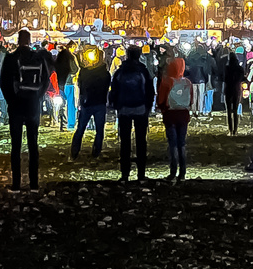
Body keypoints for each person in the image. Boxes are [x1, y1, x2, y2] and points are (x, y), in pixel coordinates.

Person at [0, 30, 50, 190]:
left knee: (16, 146)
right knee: (33, 145)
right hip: (32, 106)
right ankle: (34, 184)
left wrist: (11, 100)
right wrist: (38, 97)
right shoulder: (39, 58)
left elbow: (3, 82)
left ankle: (16, 184)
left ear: (18, 40)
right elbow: (46, 80)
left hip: (16, 106)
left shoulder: (11, 58)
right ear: (29, 40)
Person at [110, 45, 155, 180]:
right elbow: (149, 90)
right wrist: (148, 106)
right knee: (141, 141)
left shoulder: (121, 71)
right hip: (140, 108)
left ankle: (125, 173)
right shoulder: (142, 70)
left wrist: (116, 105)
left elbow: (114, 90)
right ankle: (141, 173)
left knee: (125, 142)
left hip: (124, 109)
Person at [71, 46, 110, 159]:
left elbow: (80, 85)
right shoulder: (104, 73)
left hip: (88, 103)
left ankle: (75, 152)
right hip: (98, 103)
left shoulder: (85, 72)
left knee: (81, 128)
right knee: (98, 130)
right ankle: (95, 152)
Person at [158, 56, 193, 180]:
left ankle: (173, 171)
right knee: (181, 143)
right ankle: (182, 172)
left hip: (170, 115)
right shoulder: (187, 83)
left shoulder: (167, 81)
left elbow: (161, 99)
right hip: (183, 116)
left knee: (172, 144)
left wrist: (162, 108)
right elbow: (191, 100)